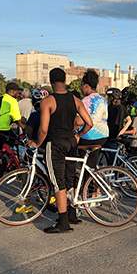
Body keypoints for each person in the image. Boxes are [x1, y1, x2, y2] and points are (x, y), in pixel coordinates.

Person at [29, 68, 93, 233]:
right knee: (69, 180)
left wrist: (38, 143)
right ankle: (72, 214)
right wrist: (78, 134)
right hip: (71, 142)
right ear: (65, 81)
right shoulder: (76, 100)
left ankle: (63, 223)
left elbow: (43, 129)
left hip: (55, 144)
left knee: (58, 183)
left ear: (51, 82)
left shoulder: (47, 101)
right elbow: (89, 123)